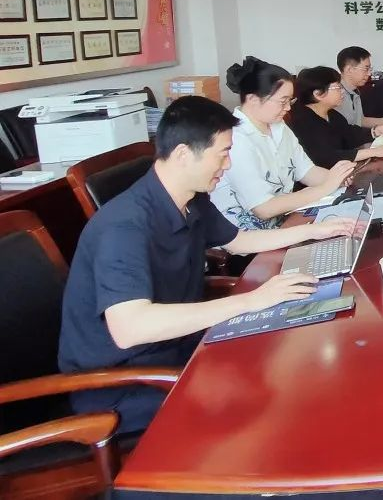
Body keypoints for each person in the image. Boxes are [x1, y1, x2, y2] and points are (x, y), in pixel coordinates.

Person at [57, 96, 356, 434]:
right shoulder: (123, 226)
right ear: (183, 154)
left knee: (292, 356)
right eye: (223, 153)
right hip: (124, 384)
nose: (227, 165)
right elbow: (131, 328)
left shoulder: (190, 198)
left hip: (181, 347)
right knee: (273, 399)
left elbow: (239, 241)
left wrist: (315, 231)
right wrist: (252, 300)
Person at [210, 56, 354, 230]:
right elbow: (264, 208)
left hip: (283, 221)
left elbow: (306, 171)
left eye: (290, 100)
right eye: (282, 101)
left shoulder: (279, 127)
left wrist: (337, 179)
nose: (288, 108)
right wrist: (324, 188)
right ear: (253, 99)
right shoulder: (235, 138)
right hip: (247, 236)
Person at [289, 66, 383, 169]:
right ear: (318, 94)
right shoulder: (302, 121)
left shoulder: (332, 114)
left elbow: (349, 135)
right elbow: (326, 157)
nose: (342, 92)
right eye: (338, 87)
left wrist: (376, 131)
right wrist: (374, 152)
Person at [335, 46, 383, 136]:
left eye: (370, 69)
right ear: (349, 69)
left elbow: (361, 121)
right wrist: (376, 131)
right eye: (366, 69)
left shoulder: (355, 91)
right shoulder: (335, 94)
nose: (369, 74)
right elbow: (345, 131)